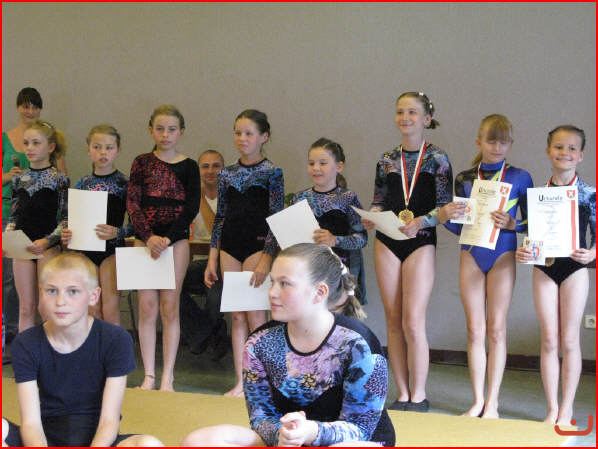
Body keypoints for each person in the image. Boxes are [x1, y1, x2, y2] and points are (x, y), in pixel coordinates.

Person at [182, 243, 394, 447]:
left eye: (284, 284)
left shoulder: (358, 344)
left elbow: (360, 427)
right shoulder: (259, 342)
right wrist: (282, 435)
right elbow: (260, 417)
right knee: (198, 441)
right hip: (286, 440)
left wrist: (310, 431)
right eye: (272, 282)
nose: (272, 293)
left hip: (347, 440)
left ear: (320, 292)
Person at [1, 252, 163, 447]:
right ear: (41, 292)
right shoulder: (26, 343)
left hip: (99, 439)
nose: (61, 301)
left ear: (93, 296)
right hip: (44, 438)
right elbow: (31, 423)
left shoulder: (116, 339)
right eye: (52, 291)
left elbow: (109, 420)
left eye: (73, 292)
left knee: (149, 443)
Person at [361, 91, 452, 412]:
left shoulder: (438, 159)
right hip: (388, 239)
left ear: (427, 118)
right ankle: (401, 391)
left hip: (420, 240)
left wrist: (422, 221)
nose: (405, 117)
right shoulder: (386, 159)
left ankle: (419, 393)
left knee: (413, 321)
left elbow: (445, 207)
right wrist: (372, 216)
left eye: (412, 112)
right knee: (393, 320)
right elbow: (378, 200)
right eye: (400, 111)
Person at [439, 114, 533, 418]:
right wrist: (447, 217)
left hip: (502, 255)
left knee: (496, 328)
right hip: (471, 253)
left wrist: (513, 224)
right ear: (478, 142)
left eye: (503, 142)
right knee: (475, 329)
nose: (497, 147)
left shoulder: (520, 177)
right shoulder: (465, 178)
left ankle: (493, 401)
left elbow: (534, 223)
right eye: (491, 141)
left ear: (510, 144)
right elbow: (458, 225)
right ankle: (478, 400)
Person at [515, 125, 595, 425]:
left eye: (572, 148)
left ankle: (567, 408)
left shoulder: (589, 194)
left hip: (574, 269)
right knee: (549, 339)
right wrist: (525, 252)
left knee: (569, 340)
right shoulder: (536, 195)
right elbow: (530, 234)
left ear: (581, 155)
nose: (565, 153)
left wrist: (593, 253)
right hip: (545, 268)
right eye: (559, 147)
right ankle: (551, 408)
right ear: (549, 151)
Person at [205, 109, 284, 397]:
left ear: (264, 136)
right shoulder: (226, 173)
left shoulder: (272, 172)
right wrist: (212, 257)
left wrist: (267, 257)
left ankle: (261, 381)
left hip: (256, 246)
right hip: (230, 246)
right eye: (238, 133)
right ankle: (241, 381)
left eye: (249, 133)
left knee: (255, 315)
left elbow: (276, 217)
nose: (242, 138)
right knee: (236, 316)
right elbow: (220, 217)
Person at [126, 105, 200, 391]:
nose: (165, 134)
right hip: (144, 241)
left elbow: (191, 207)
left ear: (181, 132)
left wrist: (168, 238)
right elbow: (133, 202)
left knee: (170, 307)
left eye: (171, 129)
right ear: (150, 131)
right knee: (147, 307)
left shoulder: (189, 166)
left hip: (175, 241)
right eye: (160, 129)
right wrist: (148, 237)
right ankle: (149, 375)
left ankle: (168, 375)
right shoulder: (141, 162)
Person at [2, 88, 64, 343]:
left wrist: (48, 241)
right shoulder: (20, 179)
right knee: (25, 307)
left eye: (36, 143)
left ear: (50, 147)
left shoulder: (59, 179)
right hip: (23, 245)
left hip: (46, 244)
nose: (29, 148)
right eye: (26, 143)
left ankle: (51, 355)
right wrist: (9, 236)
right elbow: (15, 216)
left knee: (46, 307)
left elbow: (66, 218)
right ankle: (24, 357)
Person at [61, 124, 133, 325]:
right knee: (92, 308)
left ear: (118, 150)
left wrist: (118, 232)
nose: (103, 152)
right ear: (88, 149)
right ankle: (94, 346)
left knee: (110, 308)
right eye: (97, 147)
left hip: (112, 251)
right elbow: (69, 219)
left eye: (109, 148)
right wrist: (67, 233)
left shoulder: (124, 184)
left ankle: (112, 346)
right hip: (86, 251)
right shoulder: (82, 184)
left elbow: (137, 224)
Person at [290, 138, 368, 303]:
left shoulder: (348, 198)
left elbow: (362, 239)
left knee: (337, 314)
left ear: (339, 166)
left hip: (340, 270)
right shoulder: (300, 198)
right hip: (310, 270)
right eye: (311, 163)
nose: (316, 168)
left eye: (323, 163)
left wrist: (335, 240)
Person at [179, 149, 229, 359]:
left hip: (223, 263)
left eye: (216, 166)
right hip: (197, 262)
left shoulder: (229, 196)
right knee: (169, 286)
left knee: (215, 295)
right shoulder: (186, 198)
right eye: (205, 166)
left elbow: (215, 230)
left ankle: (202, 335)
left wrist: (198, 196)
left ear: (223, 170)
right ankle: (208, 332)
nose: (210, 171)